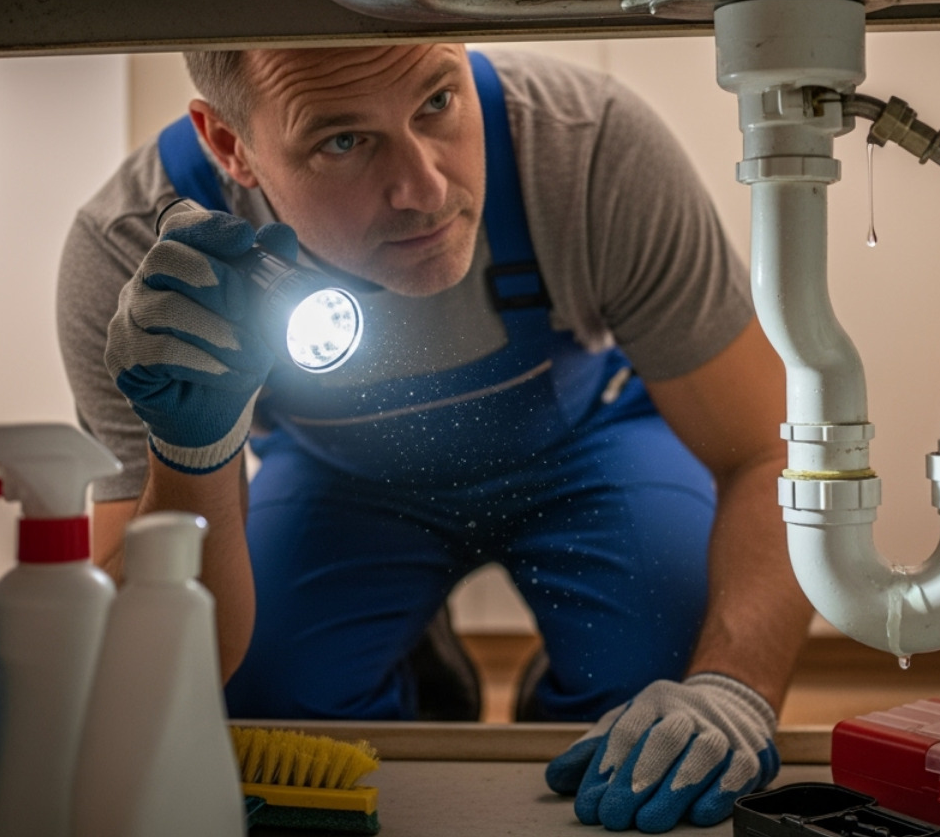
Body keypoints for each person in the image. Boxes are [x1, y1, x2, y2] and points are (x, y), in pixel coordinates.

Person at [57, 42, 815, 833]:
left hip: (586, 448)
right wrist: (191, 450)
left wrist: (735, 688)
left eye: (437, 103)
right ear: (229, 145)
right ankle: (416, 670)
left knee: (659, 678)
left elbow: (768, 452)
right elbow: (146, 644)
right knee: (269, 697)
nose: (424, 189)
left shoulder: (587, 147)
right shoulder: (140, 264)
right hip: (340, 483)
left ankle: (566, 678)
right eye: (342, 140)